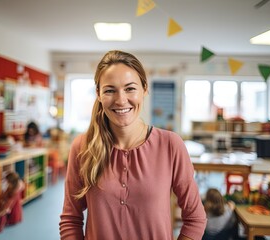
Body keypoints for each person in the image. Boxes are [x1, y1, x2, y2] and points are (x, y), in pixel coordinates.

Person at [59, 50, 206, 240]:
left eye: (130, 88)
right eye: (110, 90)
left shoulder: (170, 144)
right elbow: (71, 219)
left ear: (144, 89)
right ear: (98, 94)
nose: (121, 100)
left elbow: (195, 218)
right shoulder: (82, 146)